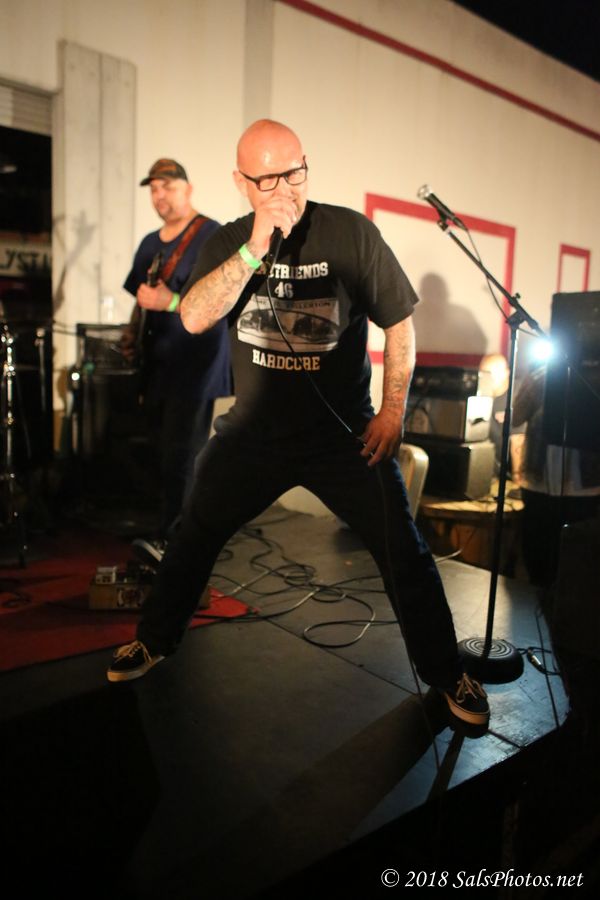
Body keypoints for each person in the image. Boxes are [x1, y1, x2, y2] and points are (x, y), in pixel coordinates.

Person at [107, 121, 489, 728]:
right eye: (269, 179)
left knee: (404, 549)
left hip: (341, 434)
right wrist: (254, 248)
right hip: (252, 436)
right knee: (193, 531)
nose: (286, 188)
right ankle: (153, 640)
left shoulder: (351, 233)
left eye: (296, 171)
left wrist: (392, 410)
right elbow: (196, 317)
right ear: (241, 182)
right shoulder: (229, 240)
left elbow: (399, 321)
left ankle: (447, 672)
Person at [122, 158, 231, 553]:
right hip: (157, 364)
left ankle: (178, 542)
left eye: (167, 186)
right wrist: (132, 332)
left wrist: (171, 302)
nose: (159, 195)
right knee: (159, 451)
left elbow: (222, 300)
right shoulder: (149, 243)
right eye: (153, 189)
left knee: (183, 455)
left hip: (196, 365)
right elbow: (141, 297)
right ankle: (166, 531)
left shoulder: (212, 235)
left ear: (188, 188)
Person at [512, 361, 600, 588]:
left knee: (575, 565)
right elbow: (515, 418)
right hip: (538, 483)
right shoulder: (542, 374)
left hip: (584, 489)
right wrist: (536, 382)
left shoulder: (593, 376)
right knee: (536, 556)